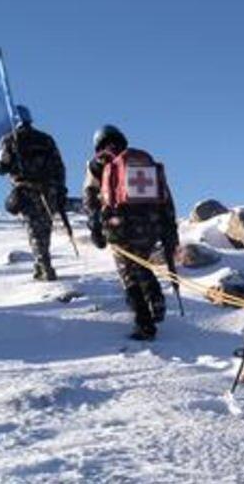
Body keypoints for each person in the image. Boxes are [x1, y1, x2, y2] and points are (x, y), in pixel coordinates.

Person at [83, 125, 179, 341]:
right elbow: (166, 198)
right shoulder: (144, 161)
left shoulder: (99, 163)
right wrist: (170, 230)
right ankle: (155, 297)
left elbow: (90, 198)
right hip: (151, 224)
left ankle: (144, 324)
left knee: (128, 274)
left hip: (120, 225)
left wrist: (96, 227)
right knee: (141, 263)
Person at [0, 105, 65, 281]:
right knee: (45, 230)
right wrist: (60, 190)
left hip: (27, 191)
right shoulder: (46, 139)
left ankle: (44, 268)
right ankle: (42, 265)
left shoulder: (9, 140)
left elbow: (2, 167)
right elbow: (59, 167)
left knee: (34, 230)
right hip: (49, 191)